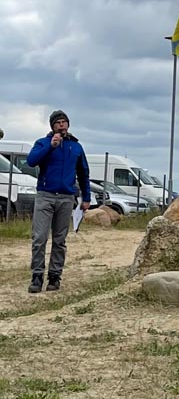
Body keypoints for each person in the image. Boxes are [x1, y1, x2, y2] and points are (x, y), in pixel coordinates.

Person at [26, 110, 90, 293]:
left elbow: (83, 173)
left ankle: (54, 276)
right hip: (45, 195)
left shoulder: (76, 147)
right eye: (57, 122)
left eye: (64, 122)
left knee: (60, 240)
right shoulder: (43, 142)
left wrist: (86, 197)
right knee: (39, 238)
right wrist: (51, 146)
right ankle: (37, 276)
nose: (61, 125)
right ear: (52, 126)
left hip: (66, 198)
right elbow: (31, 161)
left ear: (68, 124)